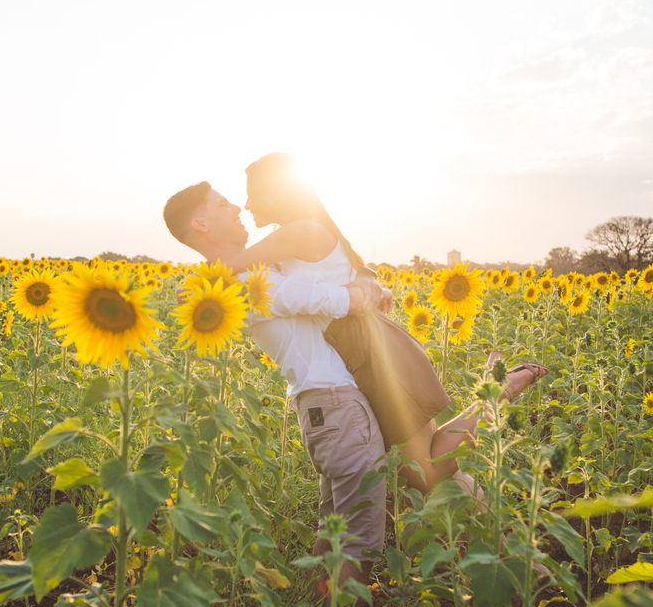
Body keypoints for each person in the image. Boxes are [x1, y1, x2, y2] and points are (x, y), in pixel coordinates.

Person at [218, 152, 548, 501]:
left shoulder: (299, 230)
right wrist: (368, 285)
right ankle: (483, 511)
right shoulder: (301, 231)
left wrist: (194, 288)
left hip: (375, 355)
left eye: (251, 194)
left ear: (274, 193)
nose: (246, 204)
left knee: (426, 470)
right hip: (362, 355)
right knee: (417, 468)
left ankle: (500, 390)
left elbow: (228, 268)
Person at [162, 181, 389, 607]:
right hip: (337, 403)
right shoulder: (248, 281)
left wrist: (361, 285)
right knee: (357, 539)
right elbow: (333, 299)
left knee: (335, 525)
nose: (237, 209)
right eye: (223, 204)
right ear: (200, 224)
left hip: (321, 405)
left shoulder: (243, 274)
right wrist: (365, 290)